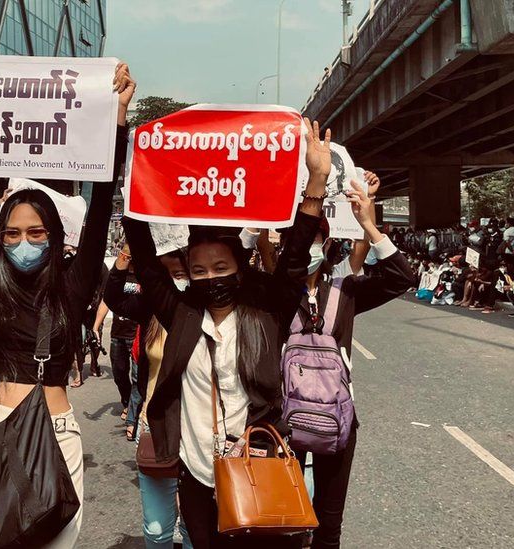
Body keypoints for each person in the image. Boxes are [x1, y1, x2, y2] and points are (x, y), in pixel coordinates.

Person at [0, 59, 135, 547]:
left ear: (54, 236)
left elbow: (103, 199)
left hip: (57, 436)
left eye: (35, 233)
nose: (23, 242)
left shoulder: (71, 284)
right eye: (11, 234)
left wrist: (118, 123)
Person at [121, 119, 330, 548]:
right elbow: (143, 256)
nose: (210, 277)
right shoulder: (180, 314)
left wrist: (316, 182)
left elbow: (292, 263)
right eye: (198, 270)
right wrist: (130, 162)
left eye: (220, 268)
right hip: (197, 474)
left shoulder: (266, 313)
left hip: (257, 469)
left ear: (240, 268)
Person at [289, 180, 417, 549]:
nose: (307, 246)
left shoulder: (345, 290)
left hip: (338, 422)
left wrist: (369, 224)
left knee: (329, 524)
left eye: (315, 238)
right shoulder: (273, 292)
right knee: (283, 516)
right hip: (284, 421)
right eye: (299, 238)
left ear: (326, 244)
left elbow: (401, 278)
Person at [105, 244, 193, 549]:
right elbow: (114, 298)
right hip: (153, 427)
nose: (174, 281)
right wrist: (126, 256)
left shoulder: (207, 310)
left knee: (196, 528)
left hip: (200, 432)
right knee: (156, 530)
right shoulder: (150, 307)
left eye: (180, 273)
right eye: (166, 275)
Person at [94, 259, 140, 426]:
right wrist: (96, 326)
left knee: (137, 377)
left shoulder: (146, 272)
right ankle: (128, 402)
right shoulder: (119, 275)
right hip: (118, 335)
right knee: (119, 373)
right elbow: (107, 300)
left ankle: (132, 417)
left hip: (137, 335)